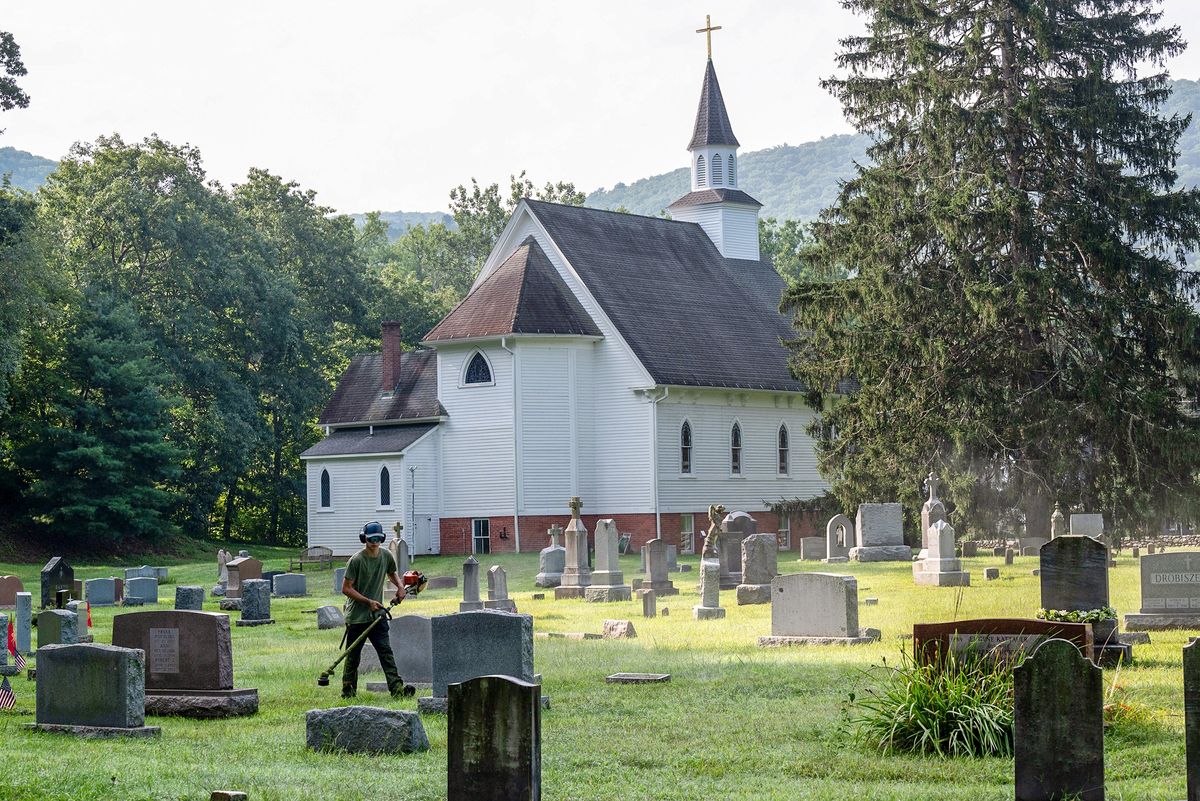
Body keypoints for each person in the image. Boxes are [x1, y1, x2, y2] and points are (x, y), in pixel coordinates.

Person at [340, 521, 408, 698]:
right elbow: (346, 588)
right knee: (353, 657)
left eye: (378, 539)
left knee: (386, 652)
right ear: (364, 539)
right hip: (357, 617)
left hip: (377, 615)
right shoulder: (356, 560)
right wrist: (367, 601)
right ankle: (348, 692)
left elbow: (392, 572)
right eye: (371, 539)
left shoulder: (386, 556)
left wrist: (400, 587)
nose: (375, 542)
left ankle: (397, 689)